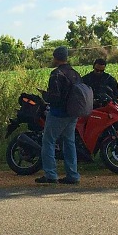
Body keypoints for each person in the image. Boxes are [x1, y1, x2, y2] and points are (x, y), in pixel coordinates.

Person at [36, 46, 82, 185]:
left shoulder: (56, 74)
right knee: (69, 143)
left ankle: (51, 174)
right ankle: (72, 175)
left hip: (58, 113)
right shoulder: (75, 73)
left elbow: (55, 97)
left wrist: (45, 95)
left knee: (48, 141)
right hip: (73, 113)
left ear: (56, 57)